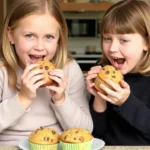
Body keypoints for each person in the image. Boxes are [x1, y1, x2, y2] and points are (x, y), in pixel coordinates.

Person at [0, 0, 93, 145]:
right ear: (11, 35)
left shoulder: (68, 68)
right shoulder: (2, 71)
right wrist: (23, 98)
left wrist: (61, 99)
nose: (39, 46)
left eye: (49, 37)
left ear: (58, 38)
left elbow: (85, 131)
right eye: (29, 35)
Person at [86, 0, 150, 145]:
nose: (112, 48)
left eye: (123, 40)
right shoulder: (101, 70)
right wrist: (99, 98)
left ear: (146, 43)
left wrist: (126, 102)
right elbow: (96, 135)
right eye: (107, 38)